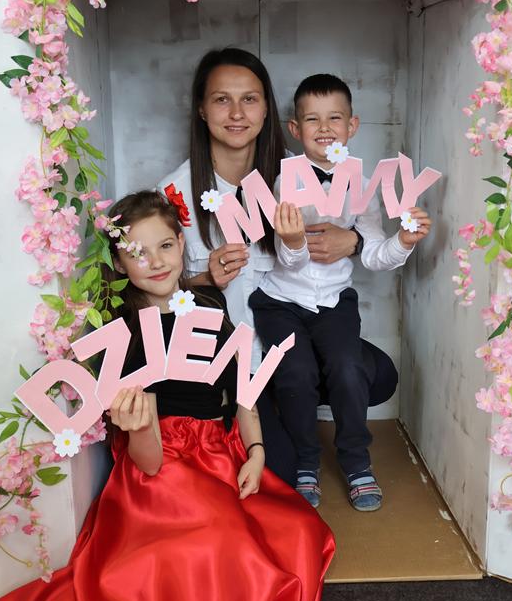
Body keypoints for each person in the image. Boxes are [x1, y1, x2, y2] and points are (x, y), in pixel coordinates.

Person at [0, 191, 335, 601]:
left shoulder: (209, 302)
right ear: (119, 263)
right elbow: (148, 462)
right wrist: (139, 428)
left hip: (218, 447)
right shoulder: (123, 330)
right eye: (137, 253)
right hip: (159, 465)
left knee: (295, 530)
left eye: (165, 246)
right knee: (213, 545)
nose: (155, 262)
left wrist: (256, 452)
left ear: (181, 243)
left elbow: (242, 392)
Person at [158, 48, 399, 485]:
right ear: (201, 108)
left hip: (293, 342)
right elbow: (153, 296)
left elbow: (357, 225)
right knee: (281, 474)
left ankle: (292, 398)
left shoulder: (302, 171)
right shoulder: (174, 193)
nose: (237, 113)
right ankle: (271, 412)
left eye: (249, 99)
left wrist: (353, 241)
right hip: (233, 359)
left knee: (375, 375)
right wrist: (202, 279)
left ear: (267, 108)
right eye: (221, 99)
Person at [249, 74, 432, 512]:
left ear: (352, 126)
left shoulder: (362, 185)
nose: (325, 127)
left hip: (334, 302)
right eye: (312, 119)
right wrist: (293, 241)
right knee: (295, 373)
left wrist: (403, 242)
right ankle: (306, 461)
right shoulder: (283, 182)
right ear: (295, 129)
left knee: (349, 368)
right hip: (281, 302)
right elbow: (288, 261)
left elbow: (373, 254)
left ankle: (356, 462)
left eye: (334, 118)